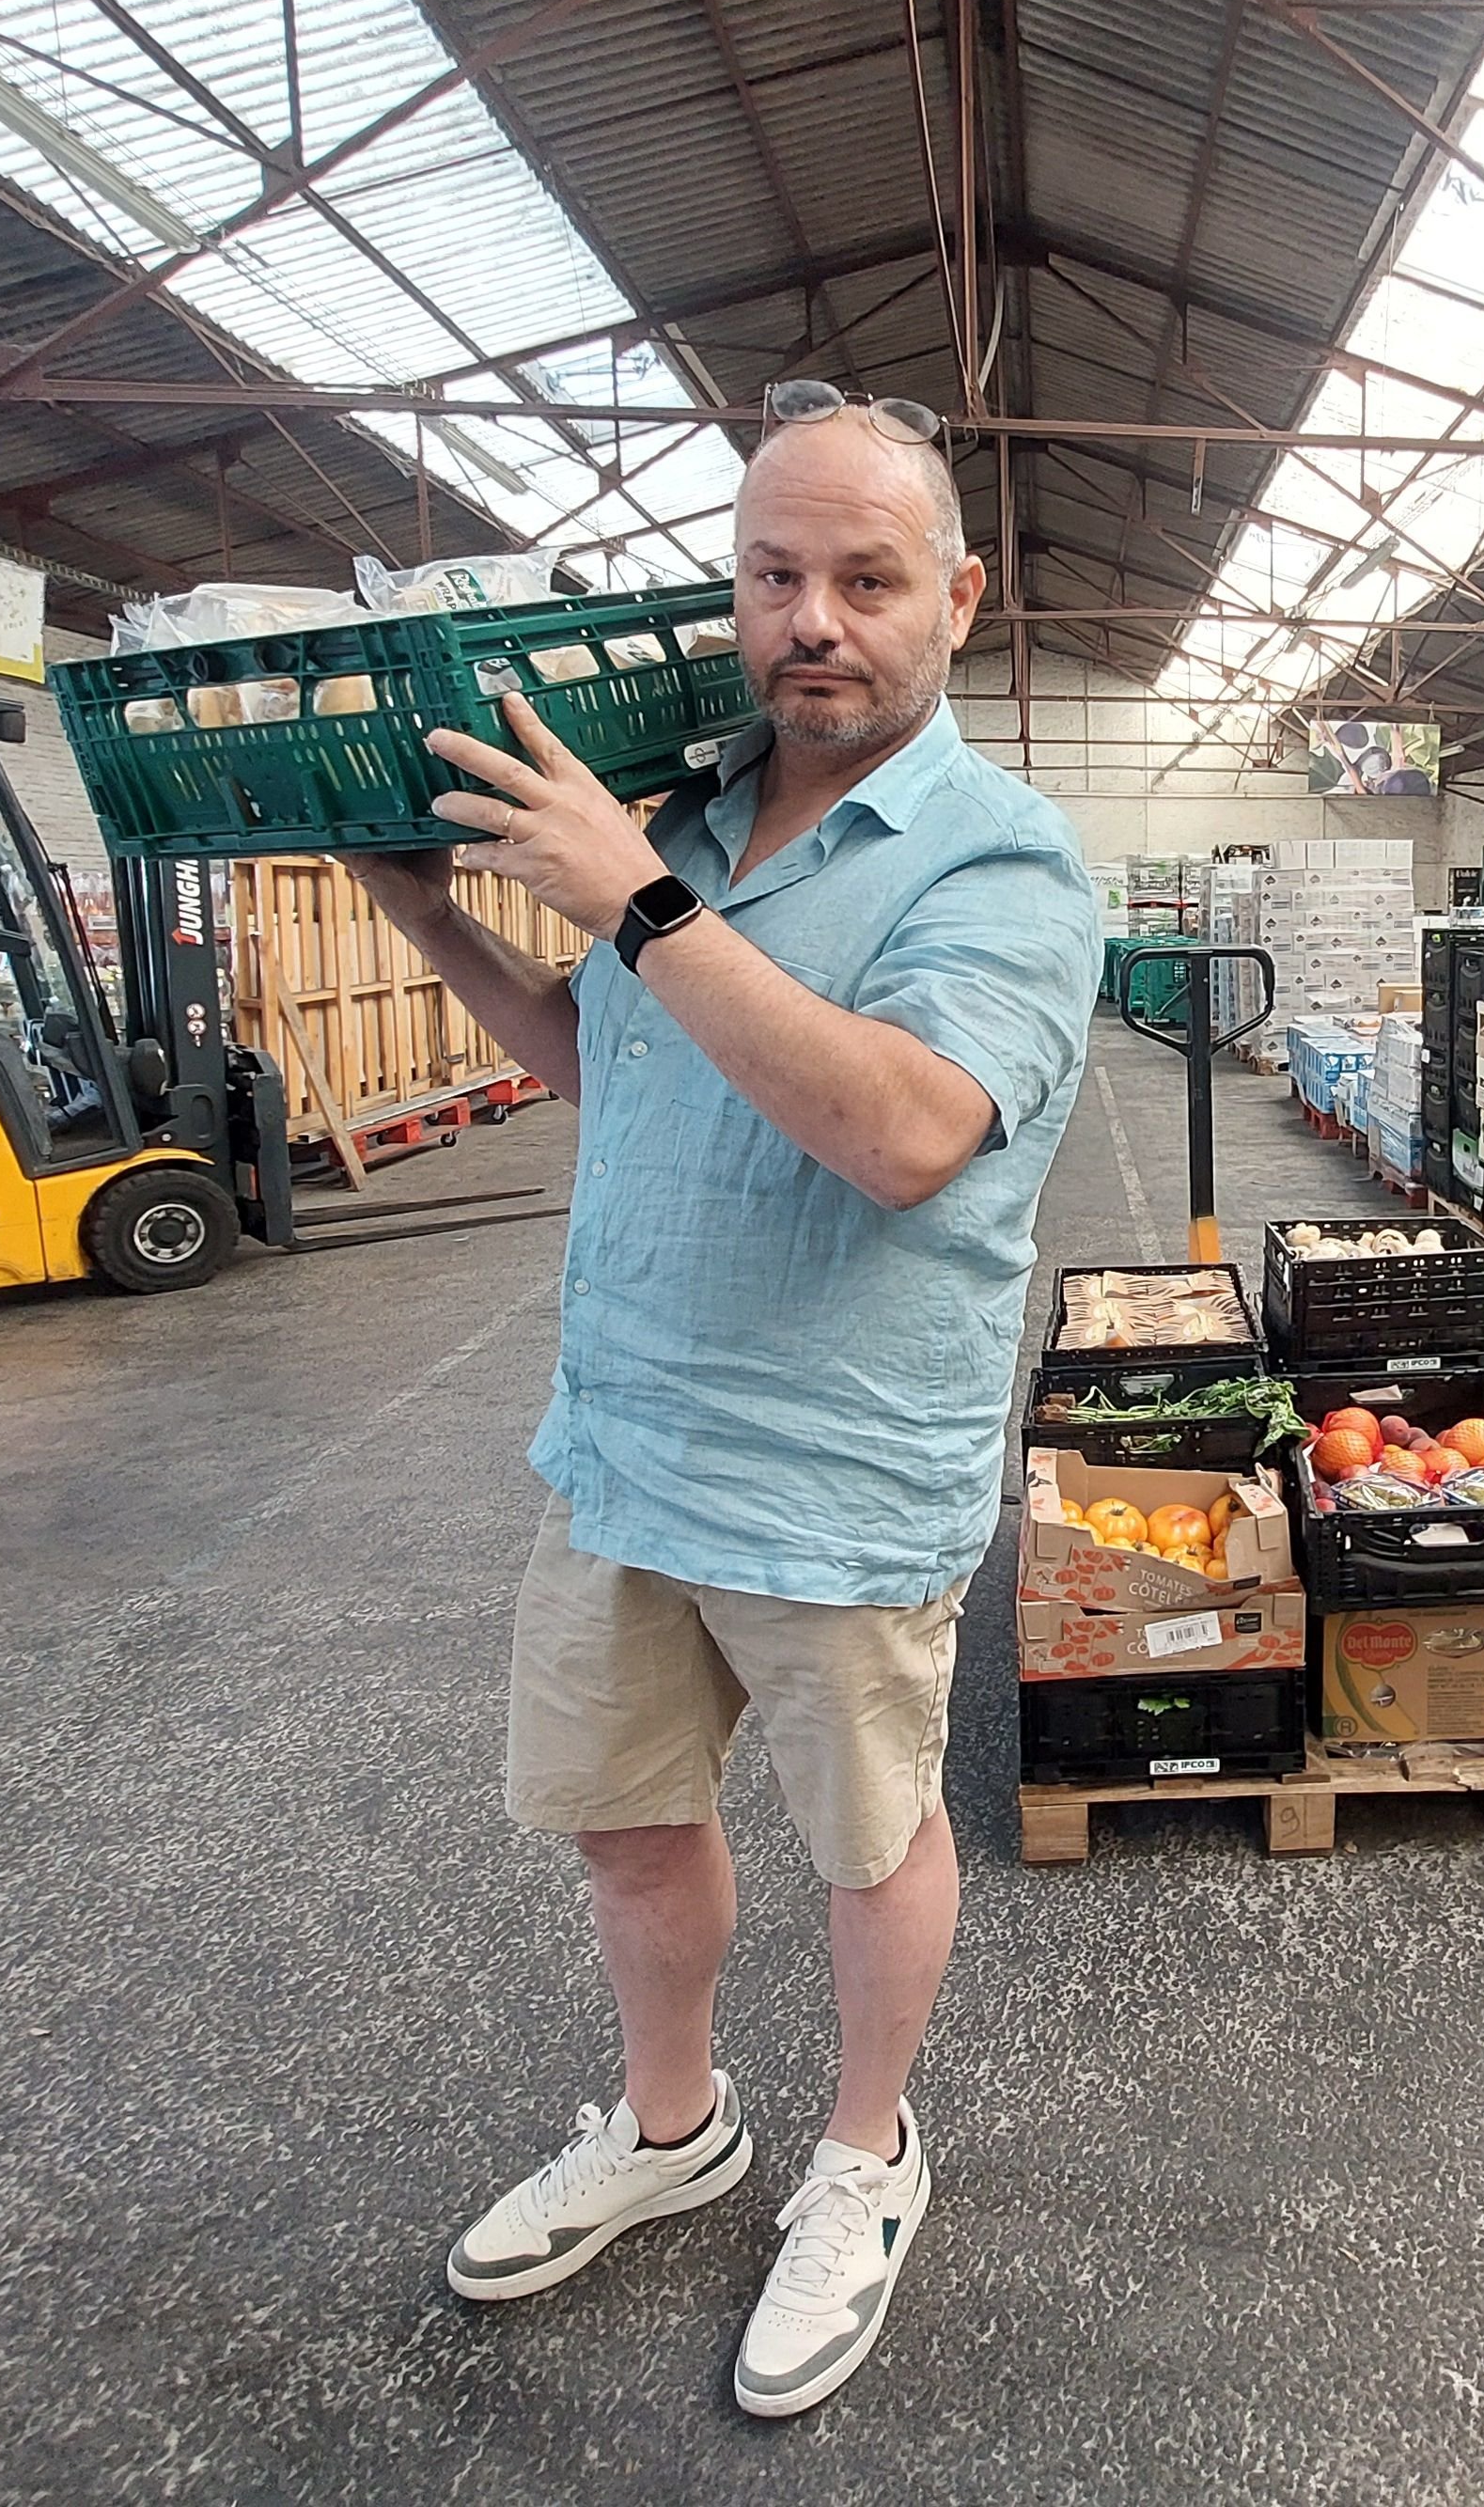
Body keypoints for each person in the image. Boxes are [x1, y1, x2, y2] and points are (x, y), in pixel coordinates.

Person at [345, 382, 1098, 2418]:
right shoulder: (669, 823)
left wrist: (635, 907)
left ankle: (863, 2152)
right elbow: (622, 1059)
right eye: (774, 576)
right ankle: (673, 2127)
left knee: (868, 1840)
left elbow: (903, 1131)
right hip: (624, 1442)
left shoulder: (1003, 863)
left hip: (838, 1464)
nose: (812, 621)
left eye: (864, 579)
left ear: (956, 595)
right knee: (624, 1820)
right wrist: (430, 913)